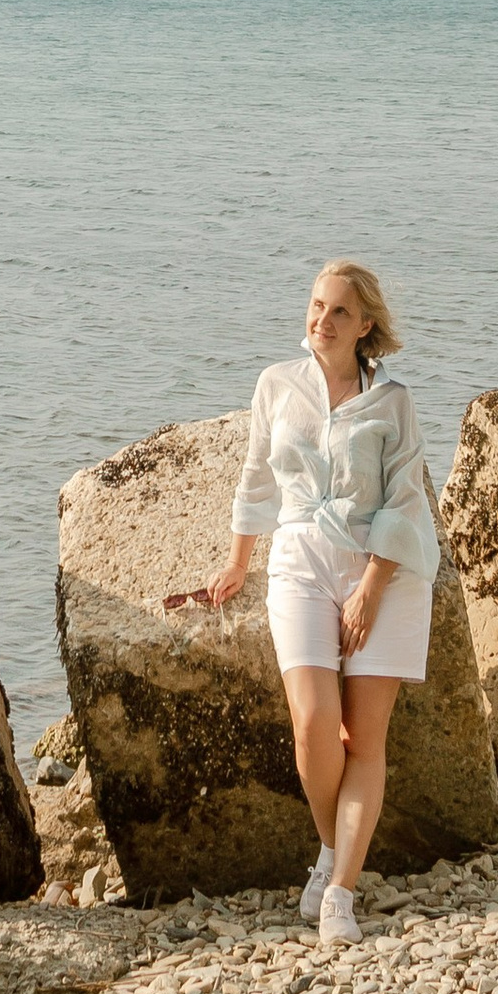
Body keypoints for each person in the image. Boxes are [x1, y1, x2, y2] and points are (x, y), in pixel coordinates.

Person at [165, 259, 437, 946]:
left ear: (365, 325)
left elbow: (405, 498)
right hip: (299, 561)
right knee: (315, 724)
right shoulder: (276, 385)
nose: (322, 321)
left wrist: (372, 587)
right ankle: (326, 845)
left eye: (339, 312)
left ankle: (340, 889)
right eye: (316, 306)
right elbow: (258, 474)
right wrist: (236, 561)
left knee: (363, 740)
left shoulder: (392, 401)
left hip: (381, 570)